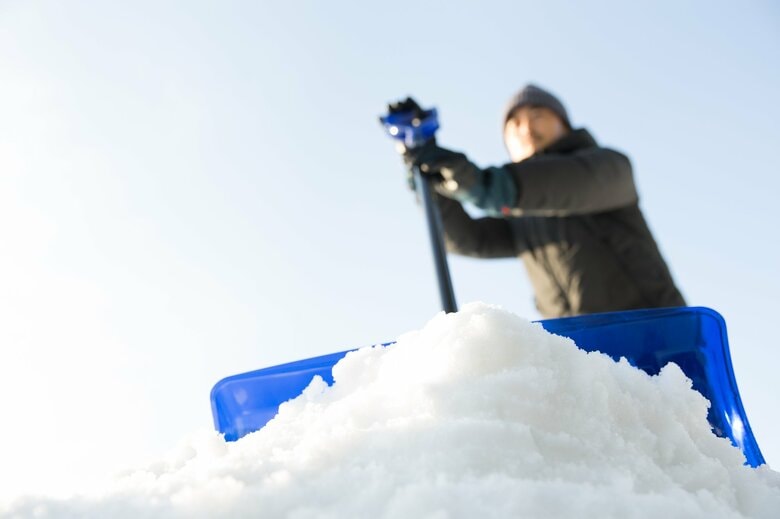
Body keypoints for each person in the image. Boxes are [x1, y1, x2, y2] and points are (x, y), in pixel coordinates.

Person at [397, 84, 685, 318]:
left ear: (564, 124)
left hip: (657, 338)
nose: (526, 128)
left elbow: (555, 184)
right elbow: (466, 239)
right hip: (583, 359)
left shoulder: (609, 169)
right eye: (515, 124)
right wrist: (429, 181)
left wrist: (478, 182)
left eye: (537, 116)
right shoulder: (522, 217)